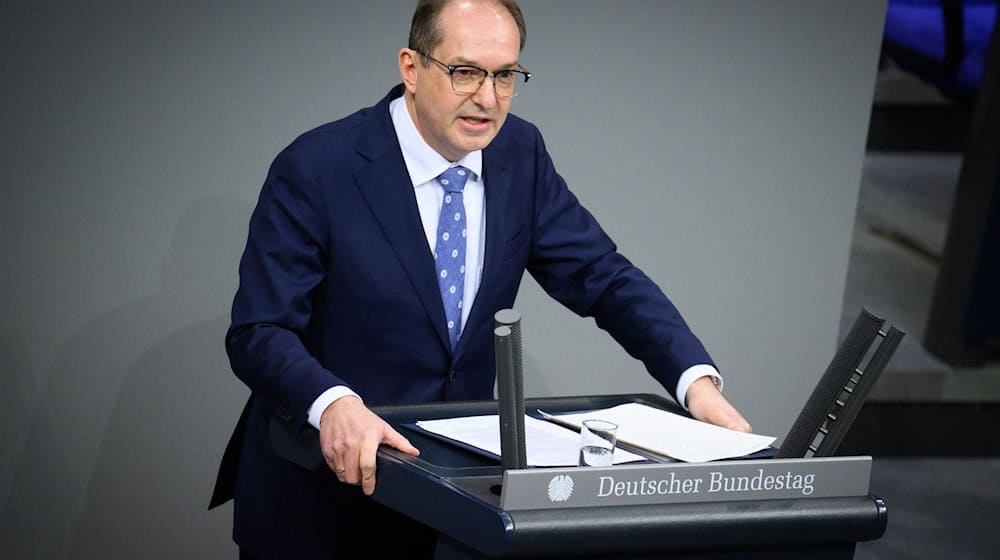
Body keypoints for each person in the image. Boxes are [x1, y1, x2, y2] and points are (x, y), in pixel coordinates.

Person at [210, 0, 752, 558]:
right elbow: (260, 330)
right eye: (466, 72)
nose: (488, 99)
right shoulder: (318, 166)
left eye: (505, 76)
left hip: (452, 505)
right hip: (322, 504)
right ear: (411, 67)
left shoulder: (520, 153)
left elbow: (602, 276)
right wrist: (333, 404)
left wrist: (694, 383)